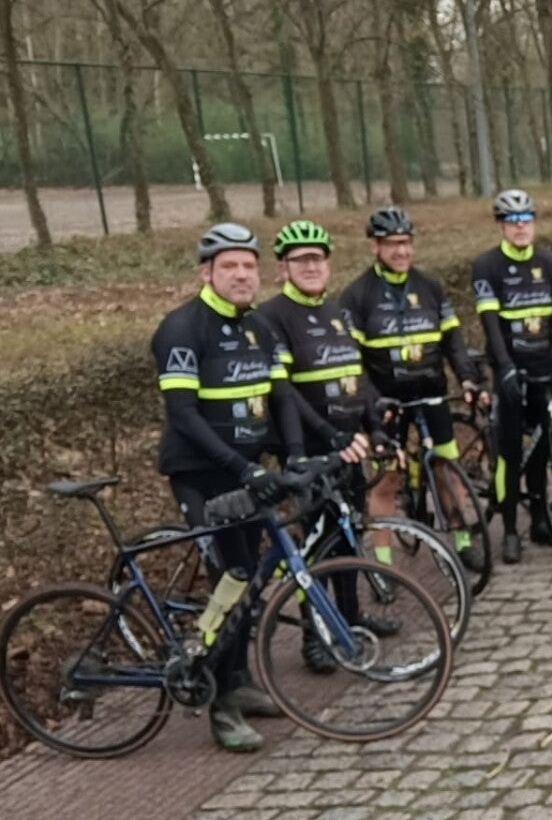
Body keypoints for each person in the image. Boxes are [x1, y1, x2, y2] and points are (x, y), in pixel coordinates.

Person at [150, 222, 302, 754]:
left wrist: (297, 455)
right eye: (229, 266)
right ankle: (219, 707)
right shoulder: (181, 328)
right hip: (202, 476)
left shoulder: (259, 326)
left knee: (252, 582)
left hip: (246, 473)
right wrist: (242, 469)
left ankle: (237, 680)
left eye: (248, 266)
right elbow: (184, 415)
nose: (241, 275)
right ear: (206, 273)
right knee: (231, 582)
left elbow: (281, 397)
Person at [255, 220, 380, 669]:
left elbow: (355, 376)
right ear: (283, 268)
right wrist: (328, 436)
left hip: (349, 446)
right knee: (314, 545)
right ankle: (315, 634)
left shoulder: (336, 312)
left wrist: (374, 424)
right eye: (301, 260)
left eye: (318, 258)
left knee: (349, 535)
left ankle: (351, 616)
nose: (311, 266)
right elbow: (285, 392)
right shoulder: (272, 317)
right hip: (309, 448)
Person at [341, 205, 488, 569]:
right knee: (387, 481)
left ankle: (462, 539)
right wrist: (372, 401)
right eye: (393, 244)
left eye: (406, 242)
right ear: (375, 246)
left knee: (447, 468)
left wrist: (467, 377)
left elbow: (453, 341)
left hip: (432, 393)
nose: (402, 251)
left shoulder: (429, 286)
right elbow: (351, 362)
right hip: (386, 402)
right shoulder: (357, 295)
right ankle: (384, 564)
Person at [472, 188, 552, 565]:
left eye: (526, 220)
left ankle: (540, 520)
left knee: (541, 448)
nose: (520, 227)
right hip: (510, 369)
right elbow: (490, 324)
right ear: (501, 226)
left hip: (542, 366)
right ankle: (510, 530)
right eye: (512, 221)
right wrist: (504, 366)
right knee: (509, 452)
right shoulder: (487, 265)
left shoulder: (550, 262)